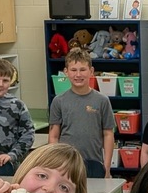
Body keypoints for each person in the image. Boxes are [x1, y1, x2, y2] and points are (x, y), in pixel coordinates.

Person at [48, 48, 116, 178]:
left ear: (91, 71)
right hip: (66, 163)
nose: (78, 75)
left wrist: (106, 167)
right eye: (73, 70)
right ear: (66, 72)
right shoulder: (59, 101)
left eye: (82, 70)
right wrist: (55, 164)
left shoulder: (102, 100)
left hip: (94, 163)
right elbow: (53, 136)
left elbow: (108, 134)